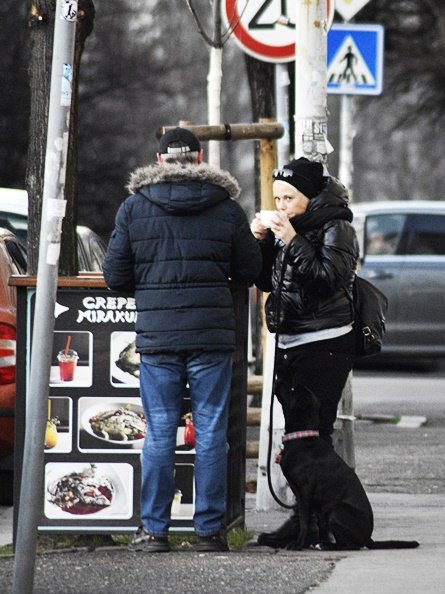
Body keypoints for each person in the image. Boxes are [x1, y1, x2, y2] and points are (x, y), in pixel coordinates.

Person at [102, 127, 262, 553]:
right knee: (210, 431)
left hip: (158, 339)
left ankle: (154, 530)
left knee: (158, 433)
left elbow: (115, 276)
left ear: (158, 159)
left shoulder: (134, 208)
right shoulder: (226, 209)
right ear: (199, 157)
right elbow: (249, 270)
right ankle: (210, 531)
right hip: (211, 337)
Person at [250, 157, 359, 549]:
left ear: (311, 197)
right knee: (297, 434)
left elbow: (327, 280)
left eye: (289, 198)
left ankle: (316, 520)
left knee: (315, 433)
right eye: (277, 198)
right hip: (291, 337)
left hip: (327, 339)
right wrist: (261, 241)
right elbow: (265, 280)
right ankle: (306, 519)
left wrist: (292, 239)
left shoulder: (337, 226)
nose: (281, 206)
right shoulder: (288, 228)